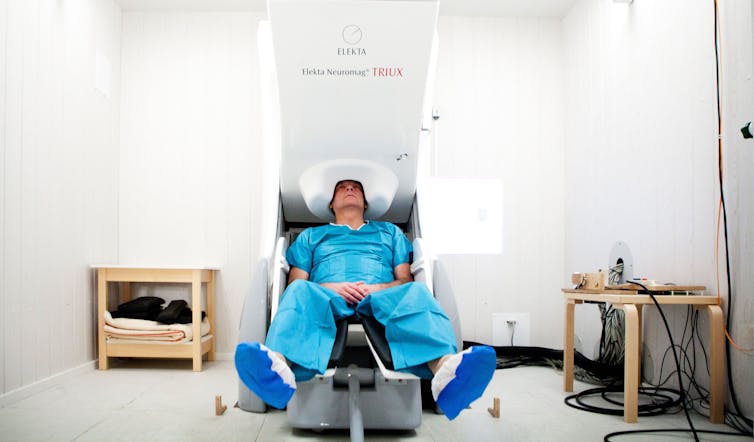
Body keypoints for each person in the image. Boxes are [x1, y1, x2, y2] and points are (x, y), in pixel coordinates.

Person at [235, 179, 496, 420]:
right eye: (342, 187)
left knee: (417, 292)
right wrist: (332, 287)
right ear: (331, 204)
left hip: (381, 296)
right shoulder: (310, 237)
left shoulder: (390, 233)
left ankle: (446, 371)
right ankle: (277, 368)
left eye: (356, 187)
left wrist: (377, 288)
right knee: (298, 293)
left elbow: (405, 280)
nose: (350, 189)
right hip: (326, 295)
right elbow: (295, 282)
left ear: (366, 203)